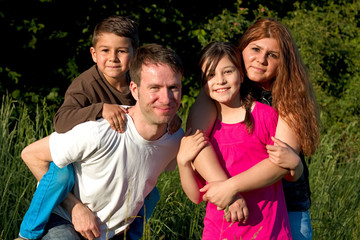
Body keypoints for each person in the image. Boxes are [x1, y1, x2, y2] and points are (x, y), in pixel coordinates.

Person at [19, 43, 184, 240]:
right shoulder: (102, 131)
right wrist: (75, 207)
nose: (166, 98)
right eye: (154, 88)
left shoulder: (176, 139)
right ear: (134, 89)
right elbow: (31, 155)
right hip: (66, 222)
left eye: (173, 88)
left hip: (111, 232)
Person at [187, 18, 320, 240]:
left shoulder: (290, 94)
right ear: (242, 49)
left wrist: (230, 188)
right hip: (236, 209)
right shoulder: (223, 83)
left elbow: (281, 161)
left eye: (273, 55)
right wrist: (229, 193)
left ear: (283, 62)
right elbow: (197, 143)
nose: (261, 60)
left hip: (287, 207)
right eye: (255, 49)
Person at [177, 41, 294, 239]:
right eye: (211, 75)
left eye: (228, 72)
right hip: (218, 231)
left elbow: (281, 166)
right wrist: (182, 163)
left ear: (241, 74)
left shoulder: (266, 116)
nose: (220, 80)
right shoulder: (205, 130)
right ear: (203, 83)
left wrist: (231, 188)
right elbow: (197, 196)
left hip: (267, 230)